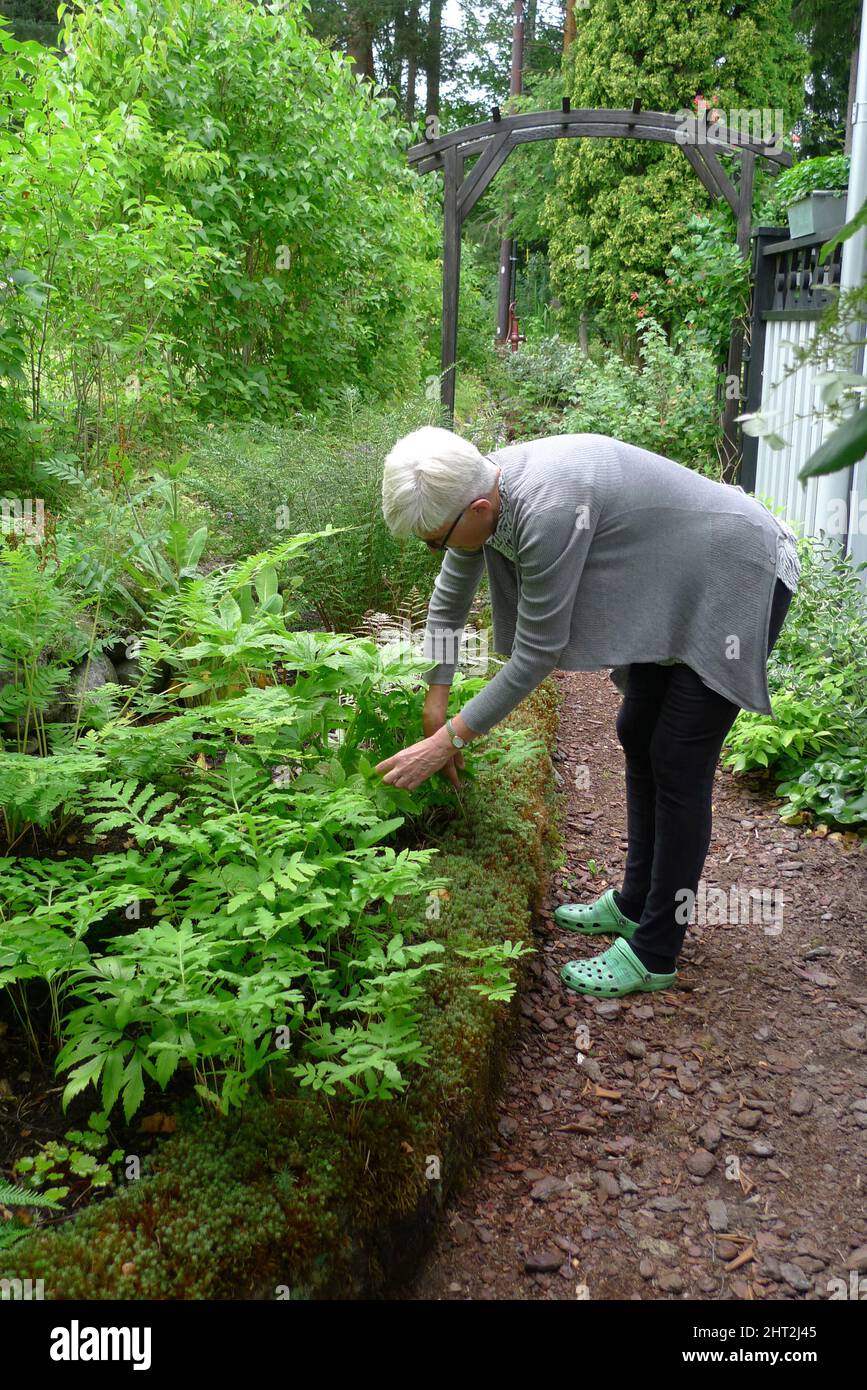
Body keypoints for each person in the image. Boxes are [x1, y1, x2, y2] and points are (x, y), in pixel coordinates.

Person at [376, 426, 800, 999]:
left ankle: (655, 951)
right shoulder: (480, 494)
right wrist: (435, 701)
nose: (437, 552)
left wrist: (446, 742)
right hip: (669, 585)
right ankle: (634, 905)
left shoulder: (545, 510)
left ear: (476, 508)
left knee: (678, 758)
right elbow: (449, 602)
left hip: (737, 572)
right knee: (636, 729)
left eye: (436, 541)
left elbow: (537, 654)